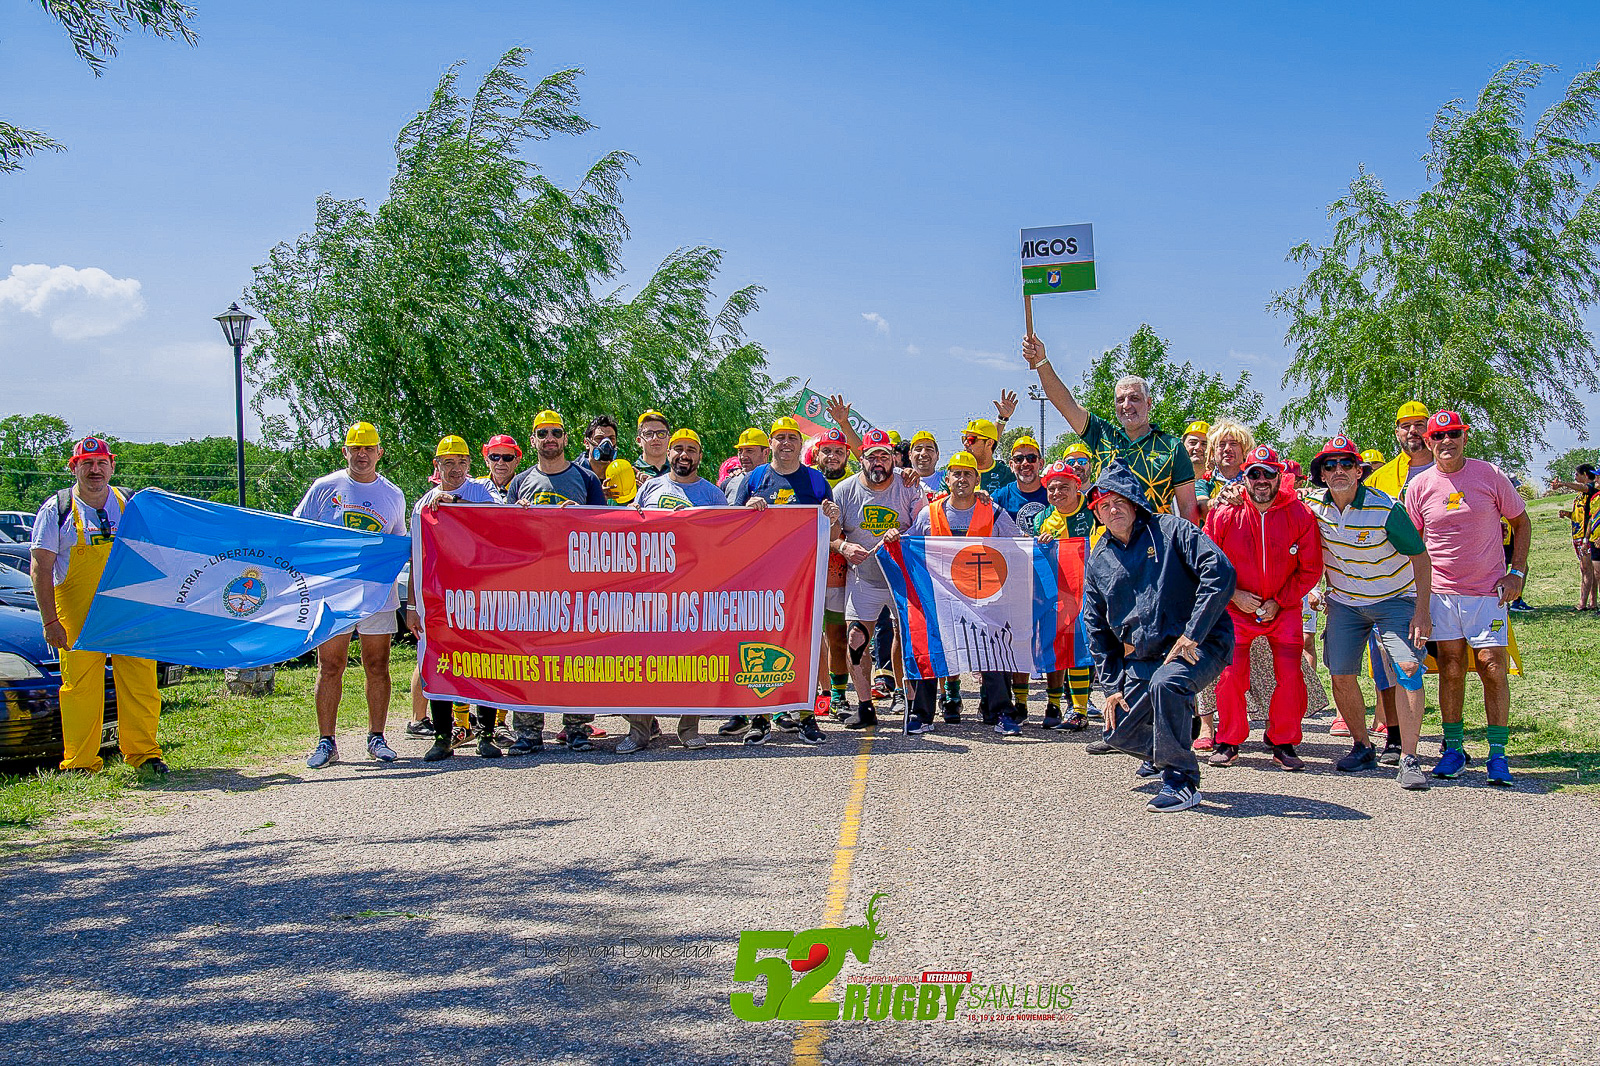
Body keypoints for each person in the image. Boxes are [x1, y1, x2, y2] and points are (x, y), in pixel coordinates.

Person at [1082, 459, 1236, 812]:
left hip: (1201, 643)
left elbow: (1221, 572)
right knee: (1116, 730)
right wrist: (1112, 687)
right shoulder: (1098, 559)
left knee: (1168, 684)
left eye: (1120, 501)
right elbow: (1095, 626)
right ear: (1097, 513)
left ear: (1135, 503)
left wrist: (1193, 633)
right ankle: (1179, 730)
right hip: (1146, 655)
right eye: (1104, 505)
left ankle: (1181, 782)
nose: (1113, 509)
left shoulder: (1172, 530)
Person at [28, 436, 167, 775]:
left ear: (112, 466)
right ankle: (80, 762)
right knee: (80, 687)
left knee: (140, 683)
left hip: (130, 612)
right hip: (78, 614)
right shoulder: (56, 509)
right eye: (87, 464)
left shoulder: (131, 505)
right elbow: (40, 567)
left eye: (102, 463)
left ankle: (144, 755)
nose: (95, 470)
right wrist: (50, 621)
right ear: (74, 468)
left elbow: (158, 557)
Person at [1405, 411, 1530, 785]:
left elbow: (1521, 522)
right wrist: (1417, 598)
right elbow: (1411, 543)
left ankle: (1498, 754)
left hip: (1487, 593)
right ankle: (1454, 749)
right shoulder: (1420, 486)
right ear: (1428, 442)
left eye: (1453, 434)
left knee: (1493, 667)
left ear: (1464, 436)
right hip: (1442, 593)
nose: (1446, 441)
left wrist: (1517, 572)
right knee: (1451, 667)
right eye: (1438, 436)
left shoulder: (1490, 474)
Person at [1303, 435, 1433, 789]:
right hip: (1345, 602)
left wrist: (1422, 612)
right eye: (1330, 466)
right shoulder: (1313, 506)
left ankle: (1409, 757)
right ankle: (1362, 746)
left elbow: (1421, 559)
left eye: (1346, 464)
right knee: (1341, 673)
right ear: (1322, 475)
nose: (1338, 471)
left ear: (1359, 471)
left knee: (1407, 668)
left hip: (1395, 598)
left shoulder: (1386, 508)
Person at [292, 422, 408, 769]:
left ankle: (377, 737)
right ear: (345, 451)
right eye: (355, 448)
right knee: (330, 666)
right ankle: (326, 742)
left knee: (378, 665)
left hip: (375, 594)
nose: (362, 455)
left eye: (368, 449)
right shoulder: (325, 487)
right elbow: (298, 530)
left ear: (379, 453)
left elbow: (398, 543)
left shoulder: (393, 494)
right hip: (332, 594)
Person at [1202, 446, 1323, 771]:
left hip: (1282, 610)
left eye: (1268, 473)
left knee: (1290, 675)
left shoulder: (1300, 514)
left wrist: (1280, 601)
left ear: (1278, 476)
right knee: (1229, 675)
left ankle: (1283, 741)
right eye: (1254, 473)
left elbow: (1311, 568)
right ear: (1246, 475)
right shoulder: (1226, 512)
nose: (1261, 480)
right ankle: (1228, 740)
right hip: (1236, 610)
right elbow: (1208, 561)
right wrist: (1233, 596)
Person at [891, 450, 1026, 735]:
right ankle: (922, 714)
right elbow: (910, 546)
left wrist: (1041, 544)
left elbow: (1018, 543)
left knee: (993, 652)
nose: (962, 479)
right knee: (931, 651)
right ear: (947, 478)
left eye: (968, 474)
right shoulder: (931, 513)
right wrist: (894, 539)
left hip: (983, 598)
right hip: (942, 599)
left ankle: (1001, 711)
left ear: (977, 478)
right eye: (956, 473)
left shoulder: (994, 511)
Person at [724, 415, 836, 746]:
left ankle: (805, 716)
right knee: (760, 645)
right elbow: (731, 526)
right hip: (761, 579)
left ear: (801, 445)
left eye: (792, 437)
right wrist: (747, 506)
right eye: (780, 437)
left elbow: (831, 528)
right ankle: (760, 717)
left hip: (803, 579)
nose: (786, 443)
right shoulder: (756, 477)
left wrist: (832, 516)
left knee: (804, 645)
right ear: (770, 443)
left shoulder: (815, 481)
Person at [617, 429, 726, 754]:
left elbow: (728, 538)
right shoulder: (651, 487)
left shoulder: (712, 494)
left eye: (691, 450)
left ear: (700, 456)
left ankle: (688, 727)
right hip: (649, 593)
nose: (684, 455)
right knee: (639, 662)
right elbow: (629, 529)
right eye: (678, 448)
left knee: (693, 661)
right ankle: (639, 730)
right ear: (669, 453)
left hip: (694, 594)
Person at [506, 410, 608, 753]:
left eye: (556, 432)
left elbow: (605, 528)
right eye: (542, 433)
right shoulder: (519, 483)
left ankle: (578, 728)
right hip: (532, 587)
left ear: (565, 439)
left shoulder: (586, 479)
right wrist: (516, 517)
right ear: (533, 440)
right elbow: (503, 538)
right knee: (528, 658)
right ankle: (528, 732)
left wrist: (579, 516)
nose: (550, 438)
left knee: (577, 659)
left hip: (576, 585)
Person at [1022, 334, 1199, 523]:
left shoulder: (1172, 446)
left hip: (1156, 543)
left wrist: (1187, 549)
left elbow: (1188, 507)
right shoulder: (1102, 434)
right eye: (1120, 400)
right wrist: (1041, 361)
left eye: (1135, 398)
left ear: (1149, 403)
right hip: (1109, 543)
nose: (1127, 405)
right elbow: (1065, 403)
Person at [406, 437, 499, 761]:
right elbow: (416, 557)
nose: (456, 469)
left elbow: (503, 528)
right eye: (449, 463)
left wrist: (456, 508)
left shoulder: (482, 493)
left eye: (461, 462)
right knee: (441, 665)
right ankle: (443, 736)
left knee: (486, 665)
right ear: (437, 466)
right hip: (438, 600)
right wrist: (411, 605)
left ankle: (487, 735)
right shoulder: (423, 505)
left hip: (478, 598)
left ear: (470, 465)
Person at [830, 428, 925, 730]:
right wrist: (844, 546)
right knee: (857, 640)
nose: (879, 462)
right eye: (873, 457)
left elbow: (926, 526)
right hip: (864, 579)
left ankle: (908, 700)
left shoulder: (909, 487)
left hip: (902, 578)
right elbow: (831, 537)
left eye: (885, 456)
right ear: (862, 458)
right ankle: (865, 706)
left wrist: (904, 536)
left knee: (907, 639)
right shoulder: (844, 491)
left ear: (893, 458)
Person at [1028, 459, 1095, 730]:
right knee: (1067, 647)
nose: (1057, 493)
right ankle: (1069, 708)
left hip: (1095, 589)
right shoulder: (1042, 519)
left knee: (1091, 648)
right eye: (1051, 488)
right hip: (1062, 594)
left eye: (1063, 487)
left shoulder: (1093, 509)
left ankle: (1083, 708)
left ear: (1077, 485)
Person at [993, 435, 1049, 720]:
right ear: (1011, 464)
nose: (1025, 464)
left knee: (1052, 635)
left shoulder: (1054, 491)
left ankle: (1059, 703)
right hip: (1012, 575)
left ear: (1041, 462)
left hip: (1048, 574)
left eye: (1031, 458)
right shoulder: (1001, 496)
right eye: (1019, 458)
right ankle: (1021, 703)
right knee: (1018, 638)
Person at [1555, 463, 1598, 610]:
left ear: (1585, 474)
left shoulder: (1592, 489)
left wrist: (1562, 484)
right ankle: (1592, 602)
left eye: (1577, 474)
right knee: (1589, 569)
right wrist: (1567, 514)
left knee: (1586, 569)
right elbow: (1578, 516)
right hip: (1577, 535)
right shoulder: (1580, 495)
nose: (1575, 477)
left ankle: (1582, 604)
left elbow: (1584, 489)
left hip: (1587, 536)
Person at [719, 427, 771, 500]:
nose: (743, 456)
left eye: (749, 451)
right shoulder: (727, 484)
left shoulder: (778, 480)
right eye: (740, 451)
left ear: (766, 452)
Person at [473, 434, 523, 504]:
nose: (500, 462)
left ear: (517, 461)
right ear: (486, 460)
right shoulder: (475, 486)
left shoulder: (525, 487)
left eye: (507, 457)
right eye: (494, 457)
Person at [1183, 421, 1213, 516]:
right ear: (1182, 445)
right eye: (1193, 442)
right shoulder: (1170, 477)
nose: (1198, 447)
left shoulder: (1216, 481)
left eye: (1204, 444)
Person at [582, 415, 621, 486]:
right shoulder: (575, 475)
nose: (606, 444)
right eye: (599, 438)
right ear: (587, 443)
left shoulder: (621, 476)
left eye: (611, 439)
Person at [633, 410, 672, 482]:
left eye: (661, 433)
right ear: (639, 441)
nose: (655, 438)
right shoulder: (629, 473)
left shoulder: (679, 473)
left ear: (669, 439)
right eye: (648, 434)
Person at [908, 430, 944, 497]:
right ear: (910, 455)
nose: (923, 453)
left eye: (929, 449)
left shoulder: (947, 479)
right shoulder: (903, 480)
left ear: (937, 455)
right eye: (918, 449)